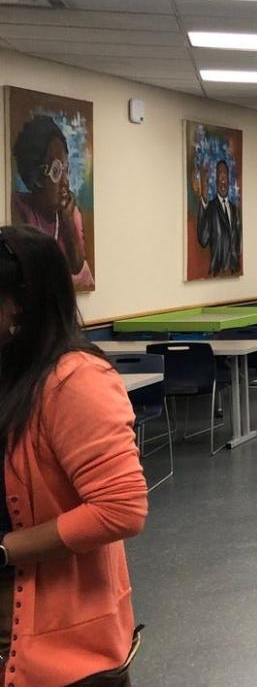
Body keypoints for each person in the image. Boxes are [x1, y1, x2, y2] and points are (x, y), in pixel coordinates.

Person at [0, 225, 148, 685]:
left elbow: (121, 509)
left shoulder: (74, 379)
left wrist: (4, 551)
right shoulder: (12, 371)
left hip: (60, 648)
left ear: (20, 306)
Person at [10, 115, 93, 290]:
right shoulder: (19, 210)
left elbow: (77, 268)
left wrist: (68, 222)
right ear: (37, 177)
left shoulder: (70, 213)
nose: (65, 181)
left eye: (66, 170)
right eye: (56, 171)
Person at [193, 158, 241, 276]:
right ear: (216, 181)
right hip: (217, 274)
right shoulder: (211, 209)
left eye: (226, 176)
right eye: (220, 176)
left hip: (234, 274)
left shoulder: (235, 211)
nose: (223, 180)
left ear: (229, 180)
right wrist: (204, 200)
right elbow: (203, 240)